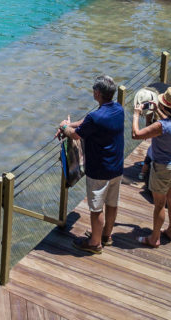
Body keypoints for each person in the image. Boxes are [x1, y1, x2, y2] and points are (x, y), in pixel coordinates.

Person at [57, 75, 125, 254]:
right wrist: (70, 124)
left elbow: (77, 134)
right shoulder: (118, 109)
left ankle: (95, 243)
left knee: (96, 208)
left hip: (99, 169)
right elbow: (86, 122)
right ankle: (106, 236)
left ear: (97, 93)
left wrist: (64, 128)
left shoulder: (95, 117)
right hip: (117, 166)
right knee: (112, 203)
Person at [131, 86, 171, 248]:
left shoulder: (161, 126)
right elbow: (169, 123)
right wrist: (158, 110)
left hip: (162, 168)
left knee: (159, 204)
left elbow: (136, 135)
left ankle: (154, 238)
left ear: (165, 106)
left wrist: (136, 115)